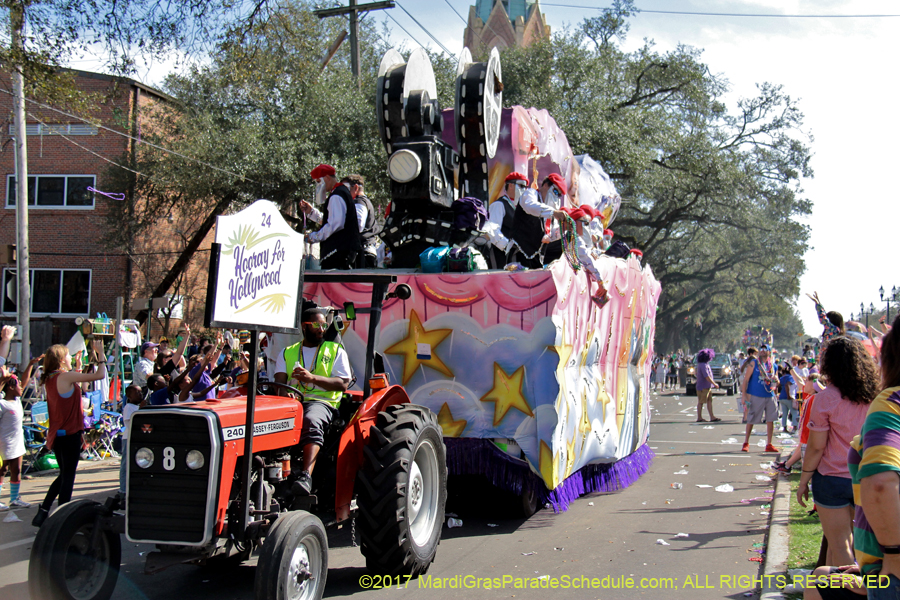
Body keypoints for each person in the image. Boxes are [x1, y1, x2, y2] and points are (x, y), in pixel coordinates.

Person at [797, 336, 880, 567]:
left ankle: (847, 590)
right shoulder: (874, 397)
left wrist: (803, 480)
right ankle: (840, 587)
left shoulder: (824, 400)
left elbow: (816, 447)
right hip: (866, 476)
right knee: (858, 544)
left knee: (840, 544)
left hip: (831, 478)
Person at [849, 314, 900, 598]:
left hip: (890, 568)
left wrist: (893, 553)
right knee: (820, 582)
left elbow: (879, 482)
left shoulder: (893, 401)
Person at [274, 308, 351, 495]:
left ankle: (305, 476)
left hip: (322, 403)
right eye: (317, 324)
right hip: (293, 403)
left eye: (324, 325)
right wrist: (285, 395)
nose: (322, 329)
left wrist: (312, 378)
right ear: (304, 326)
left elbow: (343, 383)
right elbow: (279, 383)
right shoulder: (287, 352)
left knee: (311, 419)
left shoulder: (335, 350)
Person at [32, 339, 108, 527]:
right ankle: (62, 515)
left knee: (64, 474)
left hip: (59, 434)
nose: (71, 357)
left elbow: (74, 387)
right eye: (68, 355)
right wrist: (100, 354)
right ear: (60, 359)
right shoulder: (65, 377)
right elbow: (100, 375)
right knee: (68, 477)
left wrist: (79, 367)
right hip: (69, 434)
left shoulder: (51, 377)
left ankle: (43, 512)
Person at [298, 165, 363, 270]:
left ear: (327, 178)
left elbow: (335, 224)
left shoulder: (337, 195)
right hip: (343, 252)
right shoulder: (340, 193)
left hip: (339, 253)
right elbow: (333, 220)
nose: (318, 185)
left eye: (319, 181)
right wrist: (311, 213)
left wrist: (314, 237)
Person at [500, 173, 568, 269]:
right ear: (545, 185)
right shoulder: (530, 194)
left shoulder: (550, 212)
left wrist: (564, 229)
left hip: (536, 260)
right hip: (519, 254)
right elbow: (530, 206)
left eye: (559, 195)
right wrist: (553, 212)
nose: (557, 197)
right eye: (555, 191)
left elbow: (547, 237)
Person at [0, 355, 40, 509]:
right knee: (2, 470)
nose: (21, 388)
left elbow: (25, 380)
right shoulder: (2, 404)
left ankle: (15, 498)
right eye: (17, 386)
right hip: (5, 442)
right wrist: (3, 379)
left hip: (17, 441)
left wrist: (30, 364)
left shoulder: (16, 400)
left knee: (17, 470)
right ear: (10, 387)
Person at [740, 344, 780, 453]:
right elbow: (746, 380)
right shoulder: (754, 364)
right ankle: (746, 442)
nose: (762, 351)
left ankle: (769, 444)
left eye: (765, 349)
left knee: (770, 419)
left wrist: (776, 379)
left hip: (769, 395)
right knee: (751, 419)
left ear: (769, 352)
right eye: (761, 349)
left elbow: (777, 381)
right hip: (756, 395)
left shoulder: (773, 366)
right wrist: (744, 396)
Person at [119, 384, 146, 495]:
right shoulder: (129, 407)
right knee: (126, 465)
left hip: (137, 439)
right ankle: (123, 489)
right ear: (129, 396)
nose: (140, 394)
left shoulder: (137, 406)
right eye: (137, 392)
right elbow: (133, 421)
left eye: (140, 392)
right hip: (129, 438)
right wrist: (141, 409)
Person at [694, 348, 720, 422]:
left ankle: (712, 416)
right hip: (703, 387)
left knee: (709, 401)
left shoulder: (705, 364)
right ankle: (699, 417)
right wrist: (714, 384)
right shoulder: (703, 365)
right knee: (701, 402)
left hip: (707, 386)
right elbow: (706, 376)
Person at [778, 365, 798, 433]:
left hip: (782, 397)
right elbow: (787, 385)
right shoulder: (791, 377)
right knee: (794, 412)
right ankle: (795, 427)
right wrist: (789, 395)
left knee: (785, 413)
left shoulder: (782, 378)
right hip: (789, 397)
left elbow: (778, 385)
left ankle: (784, 428)